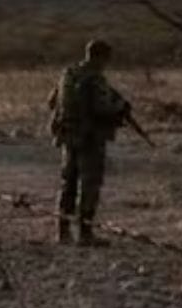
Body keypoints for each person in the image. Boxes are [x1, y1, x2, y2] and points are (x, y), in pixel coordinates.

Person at [47, 40, 131, 246]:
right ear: (101, 57)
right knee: (90, 184)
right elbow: (102, 108)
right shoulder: (96, 78)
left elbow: (51, 101)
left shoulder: (68, 73)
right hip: (90, 139)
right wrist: (120, 107)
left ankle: (62, 232)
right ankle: (85, 234)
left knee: (68, 183)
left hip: (68, 136)